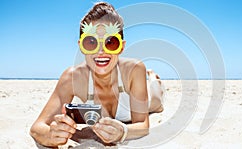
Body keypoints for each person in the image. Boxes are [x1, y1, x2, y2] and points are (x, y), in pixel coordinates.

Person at [30, 2, 164, 147]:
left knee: (156, 104)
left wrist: (123, 132)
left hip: (146, 99)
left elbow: (143, 125)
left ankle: (152, 78)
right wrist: (51, 134)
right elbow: (37, 128)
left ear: (121, 47)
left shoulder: (134, 69)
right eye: (91, 42)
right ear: (81, 46)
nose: (101, 51)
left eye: (110, 42)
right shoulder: (72, 78)